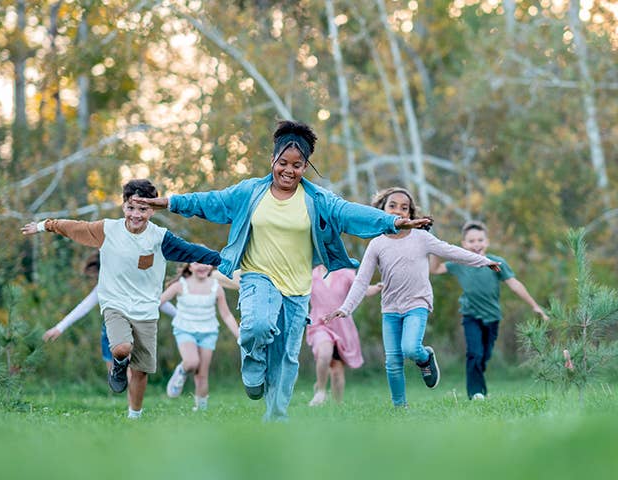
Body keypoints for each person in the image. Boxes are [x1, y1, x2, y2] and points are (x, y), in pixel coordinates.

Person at [134, 121, 431, 421]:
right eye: (283, 163)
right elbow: (209, 201)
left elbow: (351, 212)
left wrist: (392, 222)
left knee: (286, 358)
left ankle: (275, 416)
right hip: (256, 277)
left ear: (306, 166)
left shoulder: (317, 200)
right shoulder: (251, 192)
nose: (289, 170)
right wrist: (169, 202)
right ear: (273, 160)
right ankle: (252, 365)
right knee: (256, 325)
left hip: (298, 288)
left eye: (297, 165)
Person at [21, 179, 221, 419]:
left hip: (146, 311)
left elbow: (193, 251)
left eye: (143, 209)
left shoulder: (160, 238)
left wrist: (226, 260)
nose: (136, 215)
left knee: (141, 371)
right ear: (123, 206)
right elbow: (73, 227)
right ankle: (118, 364)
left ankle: (134, 416)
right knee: (121, 347)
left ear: (153, 209)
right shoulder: (107, 230)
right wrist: (45, 225)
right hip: (114, 304)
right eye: (131, 207)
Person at [325, 187, 501, 409]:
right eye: (392, 206)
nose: (398, 211)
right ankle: (400, 408)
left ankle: (425, 357)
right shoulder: (377, 243)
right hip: (390, 308)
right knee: (393, 362)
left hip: (417, 303)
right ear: (382, 210)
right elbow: (361, 281)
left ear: (410, 214)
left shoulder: (422, 238)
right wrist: (346, 308)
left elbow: (452, 251)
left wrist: (483, 261)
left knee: (410, 348)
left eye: (404, 208)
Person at [429, 220, 548, 400]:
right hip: (470, 315)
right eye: (471, 241)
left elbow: (514, 285)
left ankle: (480, 390)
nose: (476, 244)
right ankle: (476, 393)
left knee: (484, 356)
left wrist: (534, 306)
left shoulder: (497, 262)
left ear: (487, 242)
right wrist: (435, 249)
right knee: (474, 353)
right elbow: (435, 269)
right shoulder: (460, 262)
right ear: (464, 244)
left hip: (492, 317)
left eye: (480, 240)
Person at [42, 252, 177, 372]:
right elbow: (84, 307)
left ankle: (130, 395)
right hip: (109, 331)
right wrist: (59, 328)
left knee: (131, 370)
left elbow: (159, 303)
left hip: (133, 330)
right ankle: (120, 389)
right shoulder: (104, 286)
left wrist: (183, 317)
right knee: (114, 374)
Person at [160, 262, 239, 411]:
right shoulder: (180, 285)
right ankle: (182, 370)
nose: (203, 266)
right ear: (189, 266)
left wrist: (239, 335)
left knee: (202, 374)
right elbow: (159, 301)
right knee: (191, 362)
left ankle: (201, 409)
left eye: (206, 263)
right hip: (185, 330)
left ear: (211, 267)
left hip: (208, 332)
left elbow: (226, 315)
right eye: (197, 263)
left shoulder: (216, 287)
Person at [306, 265, 382, 406]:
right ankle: (320, 391)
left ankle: (337, 405)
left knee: (337, 370)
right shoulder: (311, 276)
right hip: (320, 324)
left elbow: (361, 290)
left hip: (342, 327)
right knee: (324, 353)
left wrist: (377, 288)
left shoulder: (346, 273)